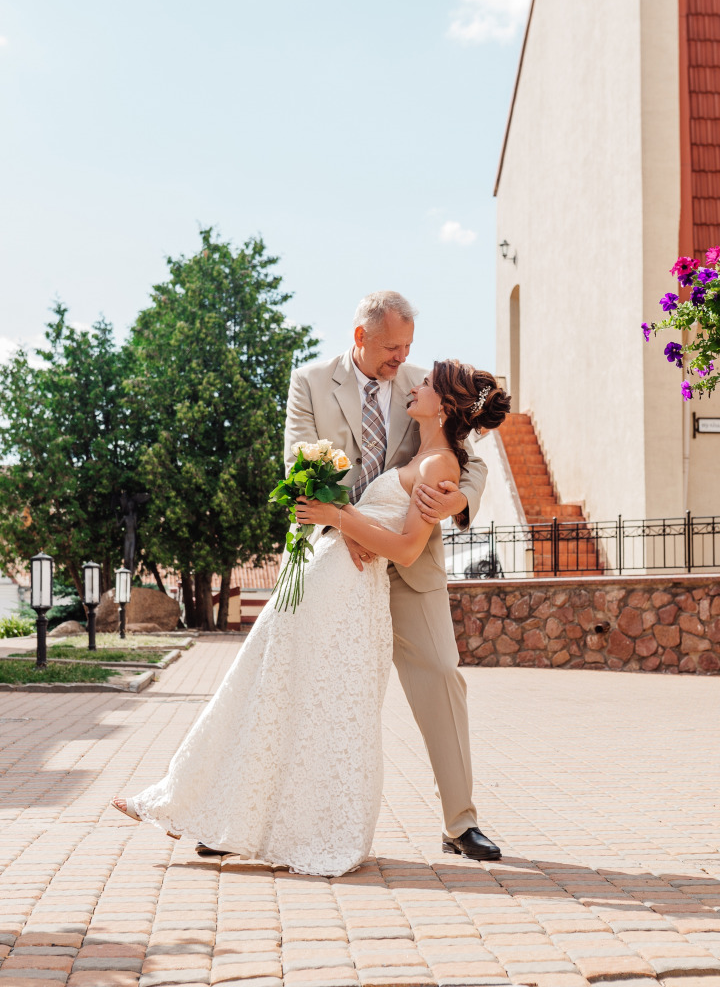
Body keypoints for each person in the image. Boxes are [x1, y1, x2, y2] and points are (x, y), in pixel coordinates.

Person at [110, 351, 510, 876]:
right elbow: (299, 464)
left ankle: (460, 823)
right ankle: (236, 817)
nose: (403, 360)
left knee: (434, 677)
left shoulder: (425, 405)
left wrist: (454, 502)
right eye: (394, 347)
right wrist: (336, 521)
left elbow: (466, 468)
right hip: (339, 562)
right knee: (287, 686)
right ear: (363, 335)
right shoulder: (312, 383)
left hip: (401, 567)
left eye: (409, 349)